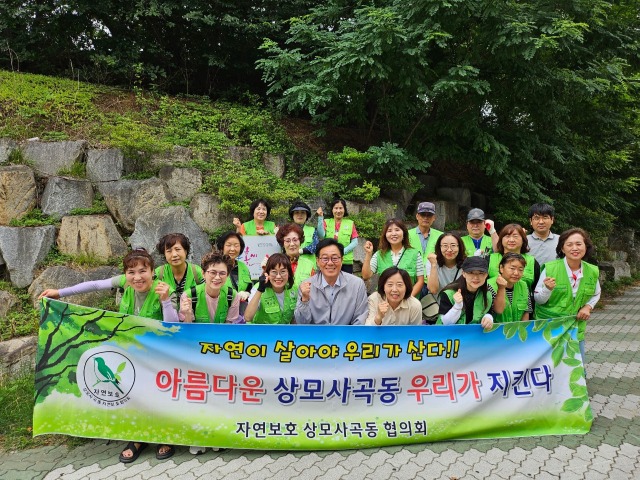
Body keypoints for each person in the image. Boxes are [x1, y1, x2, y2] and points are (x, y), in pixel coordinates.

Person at [39, 248, 177, 463]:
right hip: (131, 354)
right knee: (132, 395)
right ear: (126, 273)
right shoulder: (126, 283)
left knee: (159, 396)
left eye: (143, 271)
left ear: (153, 271)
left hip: (159, 357)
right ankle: (137, 439)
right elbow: (94, 285)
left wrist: (165, 300)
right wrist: (60, 292)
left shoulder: (164, 289)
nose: (137, 277)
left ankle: (164, 437)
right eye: (131, 272)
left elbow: (174, 326)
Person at [534, 228, 600, 360]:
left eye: (579, 244)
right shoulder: (550, 268)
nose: (575, 248)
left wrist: (588, 307)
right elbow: (538, 299)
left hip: (575, 328)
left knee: (576, 367)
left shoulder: (592, 271)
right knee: (549, 366)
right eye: (569, 244)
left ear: (586, 247)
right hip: (549, 328)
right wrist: (547, 289)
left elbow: (596, 293)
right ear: (562, 249)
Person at [294, 238, 368, 325]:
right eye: (325, 258)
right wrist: (304, 300)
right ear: (318, 261)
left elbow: (360, 320)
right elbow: (301, 323)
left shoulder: (357, 285)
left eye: (335, 258)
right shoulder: (306, 286)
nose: (330, 263)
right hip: (316, 334)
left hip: (345, 333)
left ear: (342, 260)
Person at [362, 218, 424, 297]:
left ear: (404, 233)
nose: (393, 233)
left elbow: (420, 281)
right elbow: (366, 276)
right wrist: (368, 254)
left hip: (408, 299)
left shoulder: (415, 254)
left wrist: (408, 298)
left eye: (397, 230)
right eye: (389, 231)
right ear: (385, 235)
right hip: (384, 300)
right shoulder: (379, 254)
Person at [437, 256, 501, 327]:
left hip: (474, 333)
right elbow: (445, 323)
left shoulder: (487, 294)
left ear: (486, 275)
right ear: (463, 273)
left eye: (481, 273)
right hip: (449, 333)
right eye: (471, 272)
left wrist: (488, 317)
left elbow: (488, 312)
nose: (476, 277)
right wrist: (457, 307)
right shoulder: (449, 293)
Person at [179, 251, 240, 324]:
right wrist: (187, 314)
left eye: (222, 273)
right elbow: (187, 328)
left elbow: (229, 327)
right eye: (213, 272)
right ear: (203, 273)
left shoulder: (233, 296)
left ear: (227, 275)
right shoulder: (189, 295)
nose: (217, 277)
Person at [244, 254, 298, 324]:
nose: (278, 276)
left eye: (283, 271)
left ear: (289, 273)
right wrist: (260, 289)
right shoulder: (257, 288)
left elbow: (294, 319)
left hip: (283, 330)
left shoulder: (294, 289)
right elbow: (247, 317)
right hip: (259, 330)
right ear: (267, 273)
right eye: (274, 272)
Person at [487, 224, 540, 291]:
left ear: (523, 240)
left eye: (515, 236)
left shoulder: (532, 261)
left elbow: (536, 289)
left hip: (523, 297)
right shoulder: (490, 259)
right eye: (507, 236)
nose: (511, 240)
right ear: (501, 239)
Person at [154, 233, 204, 299]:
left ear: (185, 251)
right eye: (169, 251)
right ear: (164, 254)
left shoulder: (198, 273)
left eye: (178, 249)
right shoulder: (158, 274)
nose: (174, 255)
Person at [408, 202, 443, 293]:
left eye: (429, 215)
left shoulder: (441, 236)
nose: (426, 218)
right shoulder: (407, 235)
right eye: (423, 214)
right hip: (411, 280)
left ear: (434, 218)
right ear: (417, 216)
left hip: (432, 281)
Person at [317, 199, 358, 273]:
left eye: (340, 208)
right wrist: (320, 217)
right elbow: (321, 236)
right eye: (336, 208)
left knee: (346, 280)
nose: (338, 211)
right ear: (332, 210)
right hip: (329, 261)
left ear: (344, 209)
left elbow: (355, 242)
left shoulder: (350, 223)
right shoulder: (326, 222)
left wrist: (342, 251)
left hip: (346, 261)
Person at [489, 253, 532, 323]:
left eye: (520, 270)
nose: (516, 273)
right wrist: (501, 288)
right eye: (512, 268)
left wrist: (523, 328)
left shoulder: (523, 285)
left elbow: (526, 312)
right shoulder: (490, 285)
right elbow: (498, 310)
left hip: (517, 328)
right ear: (501, 268)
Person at [216, 232, 253, 314]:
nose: (232, 249)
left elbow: (249, 288)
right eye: (228, 245)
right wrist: (235, 296)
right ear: (222, 247)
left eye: (236, 245)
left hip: (241, 312)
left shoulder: (243, 267)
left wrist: (247, 293)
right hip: (220, 311)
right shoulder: (215, 266)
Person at [426, 232, 466, 296]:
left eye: (453, 245)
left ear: (459, 247)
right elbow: (433, 290)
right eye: (445, 245)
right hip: (438, 301)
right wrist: (434, 265)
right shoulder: (432, 261)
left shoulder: (466, 264)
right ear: (439, 247)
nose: (449, 250)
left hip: (459, 300)